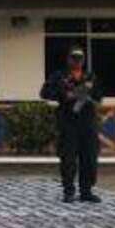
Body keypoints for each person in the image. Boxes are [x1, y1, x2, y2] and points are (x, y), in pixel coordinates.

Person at [41, 47, 104, 203]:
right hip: (68, 121)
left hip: (88, 121)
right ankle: (69, 191)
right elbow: (44, 93)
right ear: (68, 59)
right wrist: (64, 95)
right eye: (74, 58)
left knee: (89, 158)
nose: (77, 61)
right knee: (68, 158)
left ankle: (86, 191)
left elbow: (99, 96)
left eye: (80, 58)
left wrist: (89, 97)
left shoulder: (90, 76)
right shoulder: (59, 76)